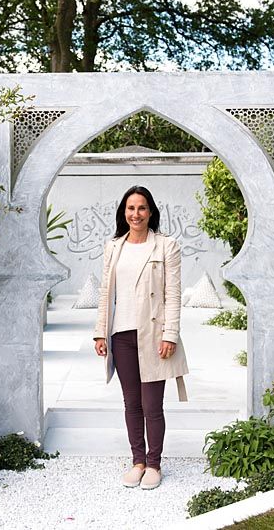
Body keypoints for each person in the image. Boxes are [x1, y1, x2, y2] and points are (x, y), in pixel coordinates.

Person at [93, 185, 188, 491]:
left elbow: (173, 295)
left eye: (142, 208)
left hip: (153, 336)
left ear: (151, 212)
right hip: (120, 335)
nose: (136, 214)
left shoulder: (166, 246)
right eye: (131, 208)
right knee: (131, 403)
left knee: (152, 405)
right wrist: (100, 332)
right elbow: (106, 293)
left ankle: (155, 464)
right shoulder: (113, 247)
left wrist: (170, 334)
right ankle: (138, 461)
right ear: (124, 212)